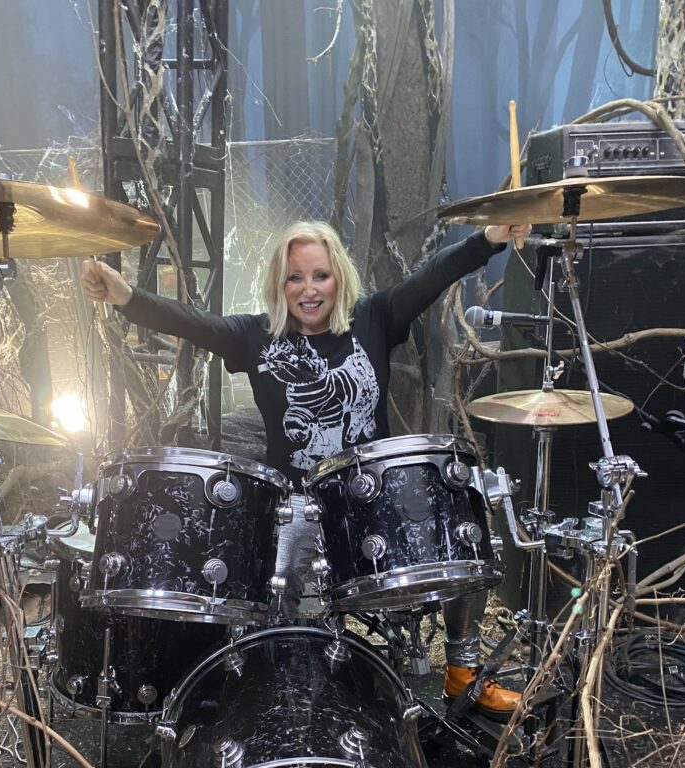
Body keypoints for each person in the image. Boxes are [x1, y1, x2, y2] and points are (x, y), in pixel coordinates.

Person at [81, 219, 530, 716]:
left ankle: (463, 673)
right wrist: (127, 297)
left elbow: (433, 276)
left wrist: (488, 240)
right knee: (277, 597)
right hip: (293, 505)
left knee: (457, 527)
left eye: (320, 276)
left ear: (339, 278)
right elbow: (192, 322)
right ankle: (277, 691)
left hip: (365, 499)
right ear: (280, 284)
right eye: (295, 277)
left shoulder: (373, 318)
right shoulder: (255, 336)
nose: (309, 290)